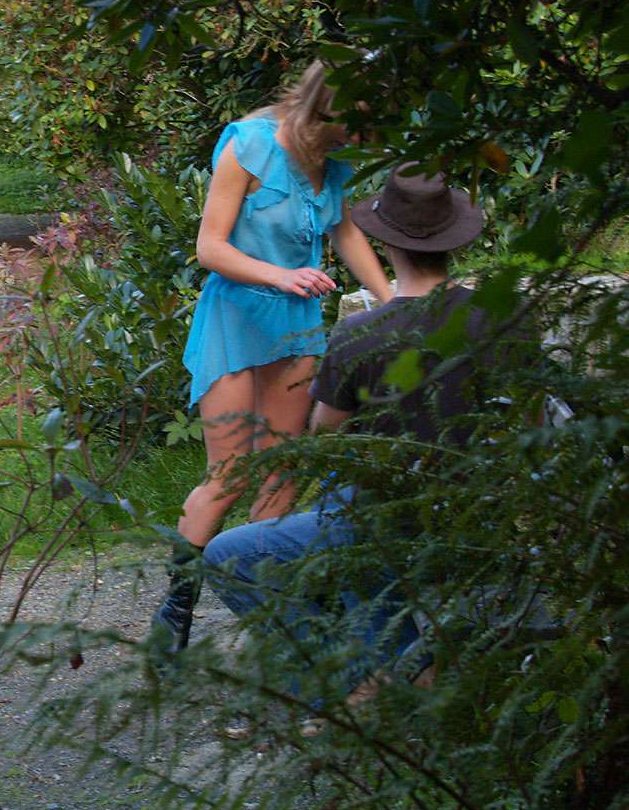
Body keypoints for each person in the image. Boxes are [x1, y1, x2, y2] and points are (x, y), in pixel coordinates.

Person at [195, 165, 495, 705]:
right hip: (480, 509)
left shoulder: (362, 334)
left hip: (395, 518)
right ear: (454, 242)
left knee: (229, 555)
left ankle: (349, 686)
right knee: (346, 500)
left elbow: (324, 435)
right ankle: (407, 663)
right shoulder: (499, 317)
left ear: (386, 243)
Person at [154, 61, 393, 651]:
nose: (361, 140)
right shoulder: (249, 145)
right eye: (355, 127)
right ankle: (177, 605)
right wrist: (280, 275)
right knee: (230, 474)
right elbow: (210, 248)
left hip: (295, 324)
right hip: (235, 318)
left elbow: (345, 232)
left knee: (282, 469)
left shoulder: (333, 162)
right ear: (327, 114)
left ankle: (269, 607)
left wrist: (395, 303)